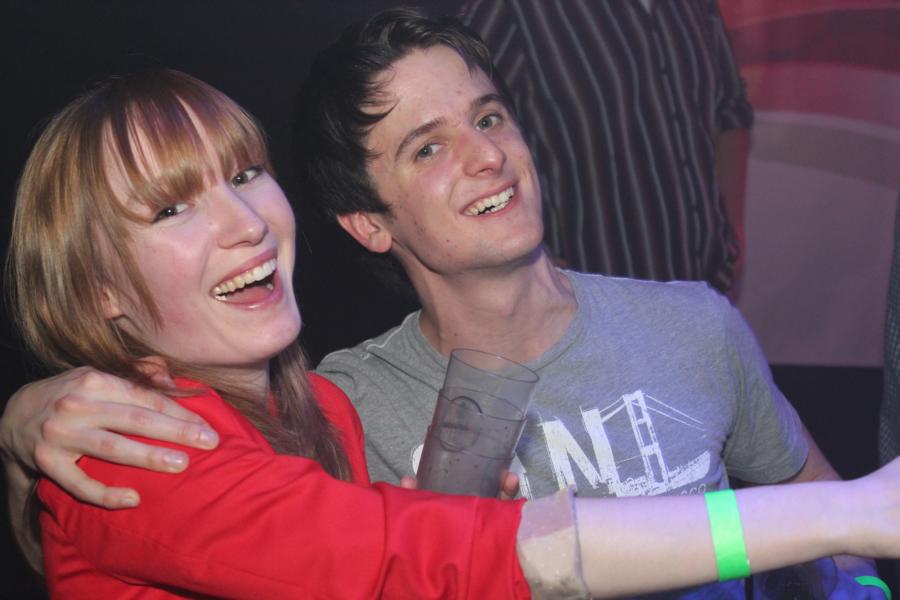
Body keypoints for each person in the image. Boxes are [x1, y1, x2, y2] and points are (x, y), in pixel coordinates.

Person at [0, 9, 893, 598]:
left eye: (244, 175)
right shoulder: (153, 446)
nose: (246, 222)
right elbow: (431, 557)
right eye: (170, 209)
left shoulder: (323, 414)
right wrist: (850, 510)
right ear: (366, 223)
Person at [460, 0, 752, 295]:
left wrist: (732, 230)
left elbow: (730, 109)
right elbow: (457, 125)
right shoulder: (516, 8)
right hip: (595, 297)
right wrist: (531, 265)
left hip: (709, 282)